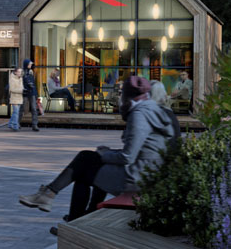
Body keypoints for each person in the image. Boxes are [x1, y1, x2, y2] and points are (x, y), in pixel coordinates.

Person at [20, 76, 178, 231]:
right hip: (148, 172)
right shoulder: (153, 110)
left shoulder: (140, 114)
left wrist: (104, 155)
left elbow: (128, 156)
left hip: (137, 177)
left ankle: (58, 205)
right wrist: (108, 153)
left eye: (122, 93)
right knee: (87, 163)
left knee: (83, 166)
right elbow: (141, 150)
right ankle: (65, 211)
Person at [21, 59, 42, 131]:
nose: (31, 65)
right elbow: (20, 82)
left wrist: (36, 94)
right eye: (29, 64)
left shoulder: (31, 72)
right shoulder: (22, 72)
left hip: (32, 92)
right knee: (21, 108)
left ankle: (35, 125)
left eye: (31, 64)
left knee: (34, 109)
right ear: (26, 64)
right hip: (25, 92)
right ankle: (17, 123)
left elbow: (33, 83)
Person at [5, 66, 24, 131]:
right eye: (19, 72)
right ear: (15, 72)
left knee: (15, 112)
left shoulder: (20, 78)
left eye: (21, 72)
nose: (20, 73)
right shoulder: (12, 79)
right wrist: (21, 90)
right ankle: (15, 126)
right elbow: (12, 89)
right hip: (14, 98)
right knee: (16, 112)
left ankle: (10, 124)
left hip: (20, 98)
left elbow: (22, 87)